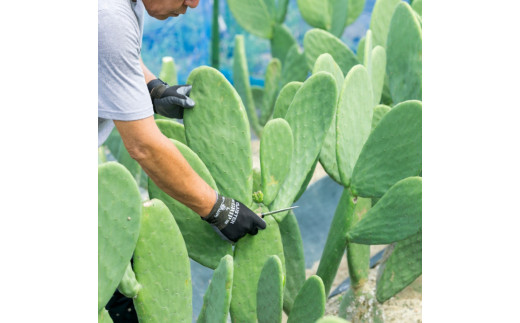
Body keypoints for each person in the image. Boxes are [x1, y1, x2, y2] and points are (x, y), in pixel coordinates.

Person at [98, 0, 267, 320]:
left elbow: (117, 55)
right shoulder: (107, 15)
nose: (193, 3)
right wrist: (218, 209)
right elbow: (145, 146)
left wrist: (153, 88)